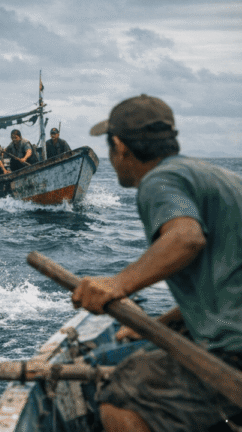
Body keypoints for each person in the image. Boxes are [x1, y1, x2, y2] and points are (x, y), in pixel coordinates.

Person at [73, 94, 242, 432]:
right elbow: (228, 285)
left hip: (233, 351)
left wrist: (117, 284)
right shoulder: (222, 179)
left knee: (123, 396)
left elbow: (185, 238)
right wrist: (162, 323)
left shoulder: (159, 181)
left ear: (120, 147)